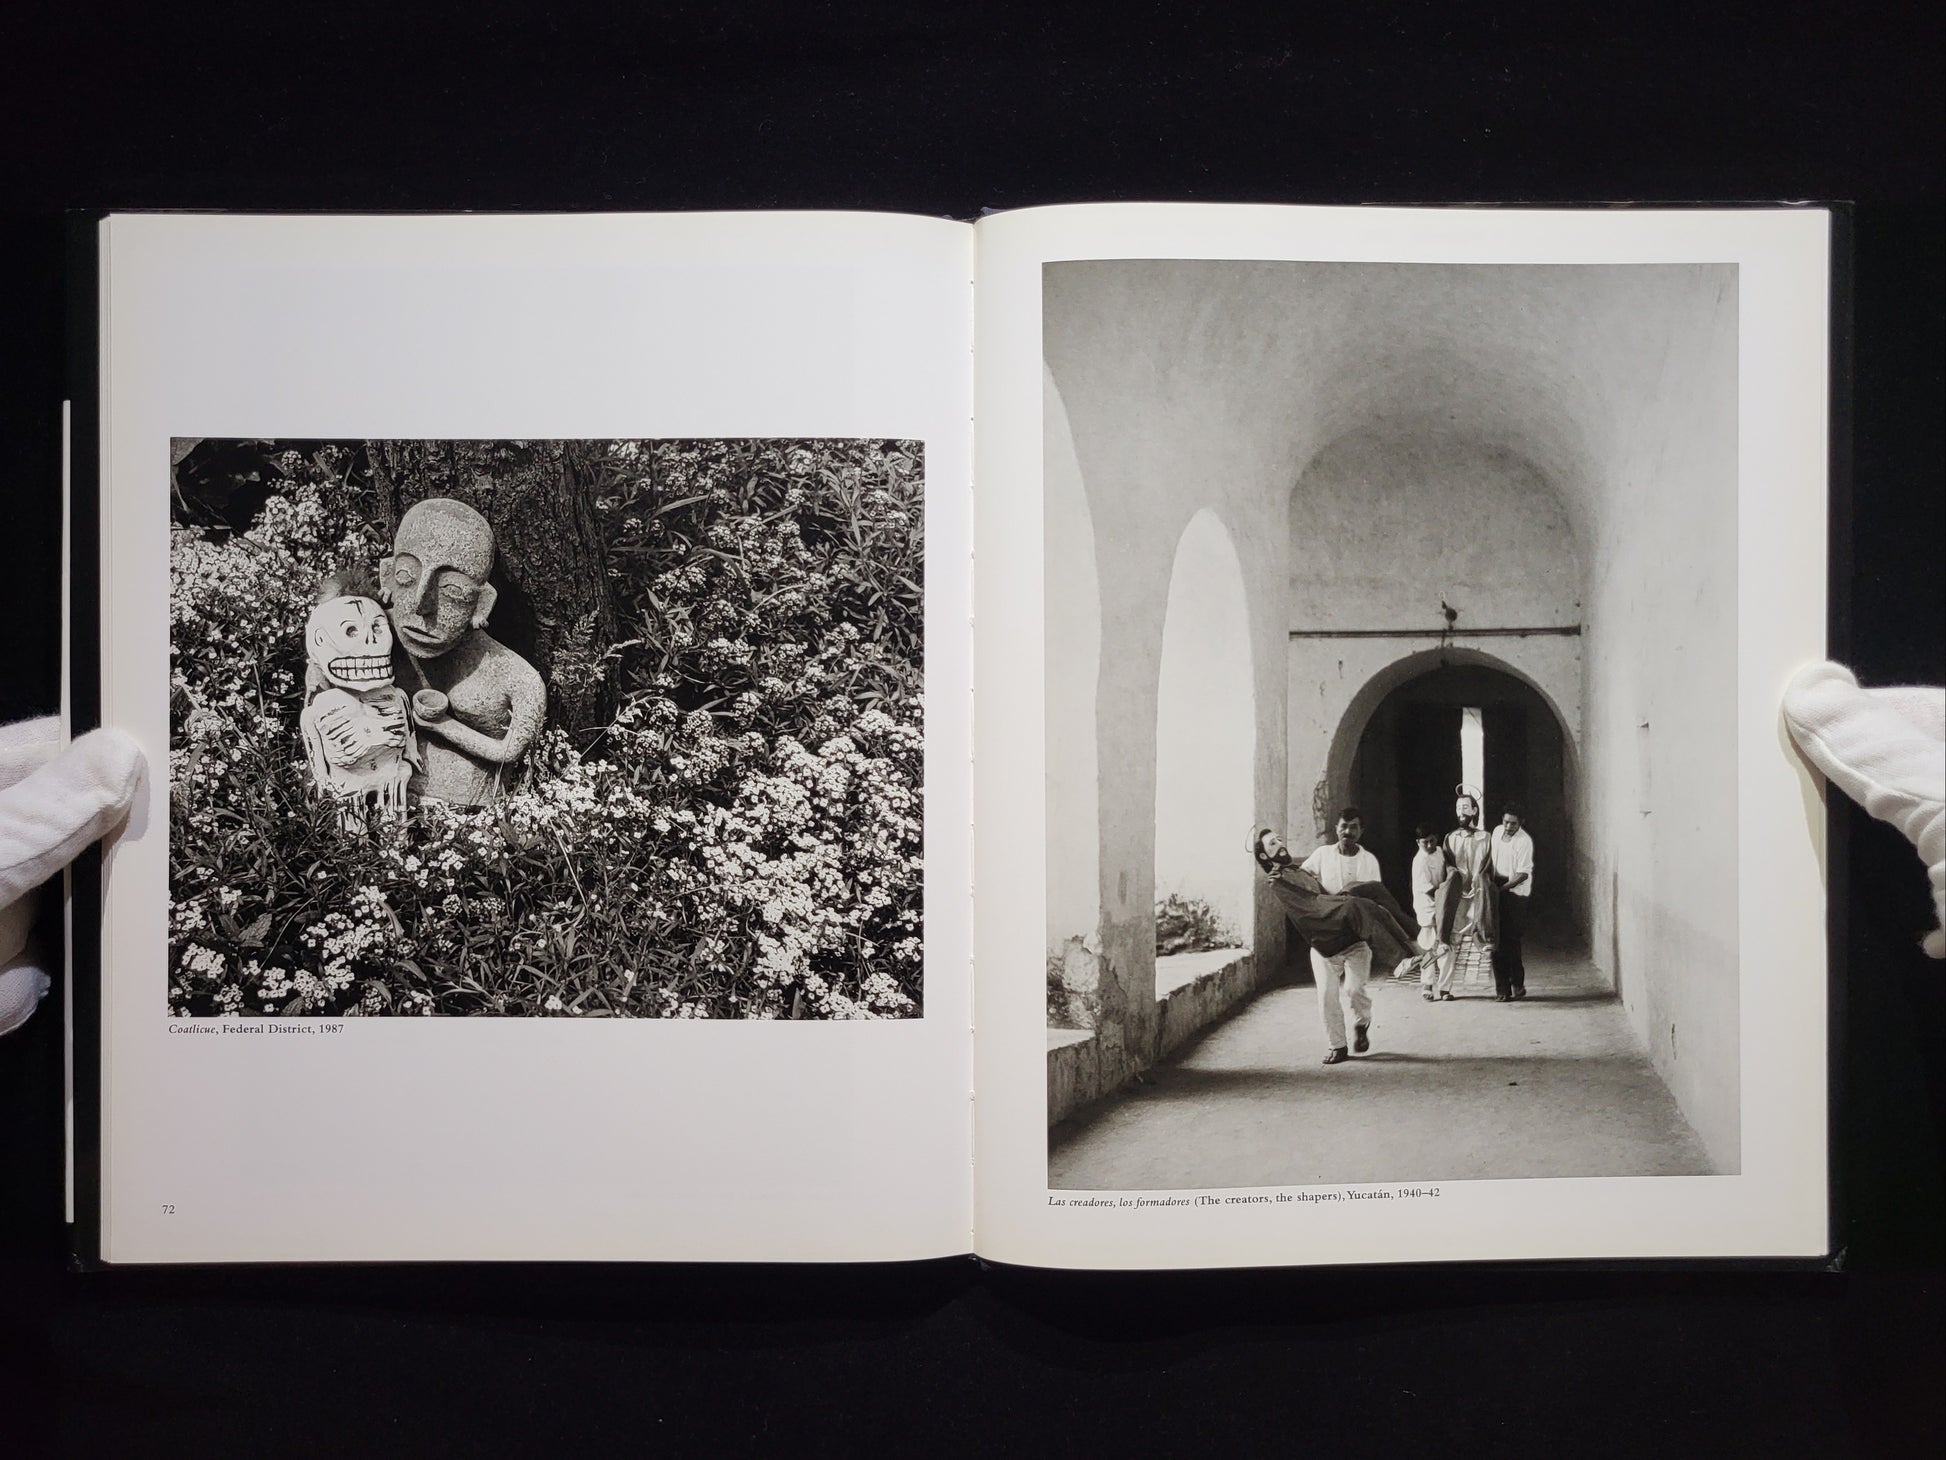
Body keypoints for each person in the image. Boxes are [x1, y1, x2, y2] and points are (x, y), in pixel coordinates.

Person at [1296, 808, 1381, 1063]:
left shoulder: (1369, 861)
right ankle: (1338, 1046)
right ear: (1336, 828)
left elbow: (1373, 899)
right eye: (1344, 826)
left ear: (1361, 831)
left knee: (1354, 989)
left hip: (1356, 939)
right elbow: (1300, 879)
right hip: (1324, 940)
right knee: (1326, 995)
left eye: (1354, 827)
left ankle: (1362, 1022)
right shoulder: (1322, 855)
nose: (1348, 832)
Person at [1434, 786, 1498, 996]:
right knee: (1449, 940)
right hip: (1458, 897)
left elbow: (1489, 865)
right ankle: (1444, 988)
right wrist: (1454, 879)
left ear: (1474, 810)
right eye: (1458, 808)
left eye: (1465, 807)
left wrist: (1481, 880)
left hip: (1479, 896)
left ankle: (1503, 988)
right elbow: (1448, 866)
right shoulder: (1450, 838)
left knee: (1490, 934)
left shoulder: (1486, 838)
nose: (1460, 812)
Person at [1490, 802, 1535, 1000]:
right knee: (1495, 940)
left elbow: (1523, 874)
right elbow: (1490, 860)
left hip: (1515, 892)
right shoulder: (1496, 832)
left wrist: (1502, 889)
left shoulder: (1524, 841)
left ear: (1521, 822)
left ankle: (1517, 982)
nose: (1508, 826)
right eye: (1506, 822)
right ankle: (1502, 989)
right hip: (1496, 886)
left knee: (1511, 940)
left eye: (1513, 823)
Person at [1409, 823, 1454, 1001]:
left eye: (1432, 841)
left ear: (1437, 838)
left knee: (1446, 946)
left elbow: (1447, 872)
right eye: (1424, 842)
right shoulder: (1419, 861)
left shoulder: (1440, 852)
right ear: (1417, 842)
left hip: (1442, 904)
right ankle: (1427, 985)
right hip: (1427, 906)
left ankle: (1445, 989)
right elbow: (1429, 890)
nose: (1429, 845)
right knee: (1429, 948)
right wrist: (1445, 898)